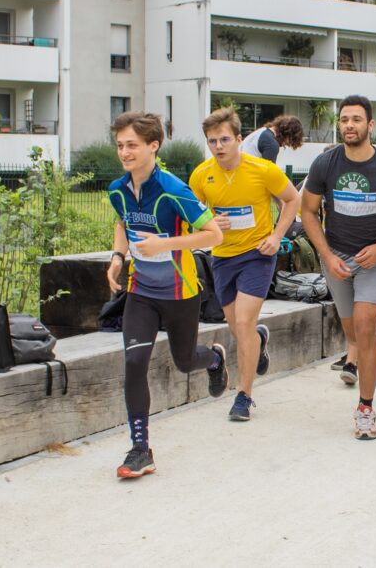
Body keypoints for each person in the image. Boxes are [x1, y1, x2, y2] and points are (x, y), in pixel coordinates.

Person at [106, 112, 226, 478]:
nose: (124, 152)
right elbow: (123, 223)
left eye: (132, 145)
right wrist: (117, 257)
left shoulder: (173, 188)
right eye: (120, 146)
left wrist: (165, 244)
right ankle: (140, 448)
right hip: (140, 292)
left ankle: (215, 358)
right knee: (133, 364)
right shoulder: (117, 189)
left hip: (179, 292)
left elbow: (212, 236)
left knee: (185, 361)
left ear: (153, 146)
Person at [301, 95, 376, 440]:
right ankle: (367, 343)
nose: (348, 125)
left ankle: (365, 407)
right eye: (344, 119)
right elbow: (307, 211)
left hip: (374, 260)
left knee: (365, 329)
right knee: (352, 333)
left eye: (356, 119)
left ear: (370, 126)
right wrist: (326, 254)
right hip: (336, 258)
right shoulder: (326, 164)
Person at [189, 108, 300, 421]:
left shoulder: (263, 169)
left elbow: (293, 199)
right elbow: (191, 216)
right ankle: (261, 339)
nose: (219, 146)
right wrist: (210, 223)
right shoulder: (201, 175)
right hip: (222, 258)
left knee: (243, 322)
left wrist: (278, 236)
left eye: (225, 139)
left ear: (239, 139)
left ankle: (243, 396)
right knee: (238, 326)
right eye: (213, 141)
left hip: (257, 254)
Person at [240, 115, 304, 163]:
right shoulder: (271, 144)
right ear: (288, 134)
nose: (284, 145)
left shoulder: (261, 131)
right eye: (289, 142)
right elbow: (269, 174)